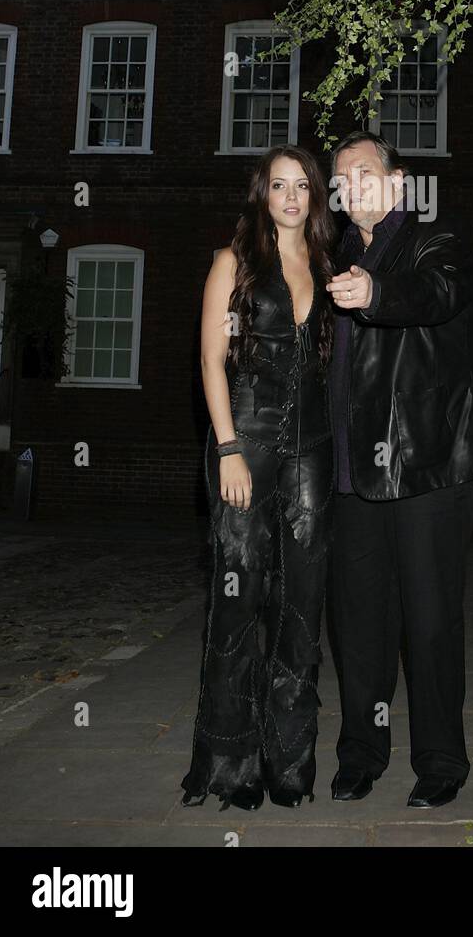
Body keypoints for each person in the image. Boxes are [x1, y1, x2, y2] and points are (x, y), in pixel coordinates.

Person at [326, 130, 473, 808]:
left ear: (397, 183)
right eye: (340, 179)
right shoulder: (337, 250)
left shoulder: (436, 234)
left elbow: (436, 294)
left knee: (429, 622)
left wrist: (375, 290)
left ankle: (440, 762)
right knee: (360, 625)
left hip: (424, 465)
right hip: (350, 474)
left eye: (364, 173)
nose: (350, 187)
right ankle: (362, 754)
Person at [181, 145, 335, 811]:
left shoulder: (329, 265)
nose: (292, 196)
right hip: (246, 440)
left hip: (312, 451)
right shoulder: (234, 262)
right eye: (281, 185)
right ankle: (227, 766)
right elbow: (212, 361)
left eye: (303, 186)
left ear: (314, 197)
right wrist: (227, 449)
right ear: (262, 194)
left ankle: (291, 767)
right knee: (237, 602)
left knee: (300, 609)